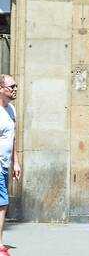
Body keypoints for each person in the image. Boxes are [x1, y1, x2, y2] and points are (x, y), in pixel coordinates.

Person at [0, 75, 19, 256]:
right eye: (11, 86)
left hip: (5, 165)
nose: (14, 89)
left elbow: (12, 139)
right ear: (1, 89)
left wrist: (16, 162)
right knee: (2, 203)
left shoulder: (11, 110)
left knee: (2, 203)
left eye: (16, 86)